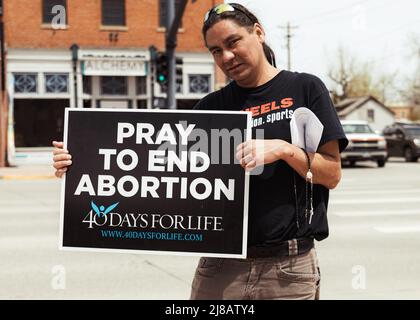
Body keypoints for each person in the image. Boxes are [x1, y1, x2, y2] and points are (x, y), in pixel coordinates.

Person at [53, 2, 348, 300]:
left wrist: (285, 150)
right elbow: (153, 171)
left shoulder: (305, 89)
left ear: (258, 33)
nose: (227, 57)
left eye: (233, 42)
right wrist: (82, 162)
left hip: (288, 269)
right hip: (220, 267)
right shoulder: (210, 109)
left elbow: (331, 174)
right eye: (216, 51)